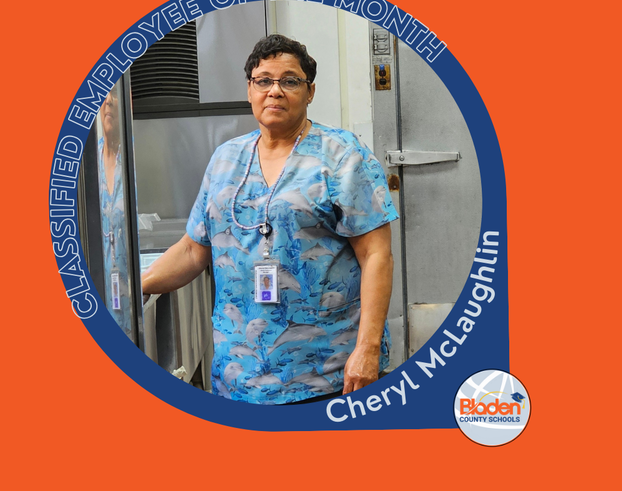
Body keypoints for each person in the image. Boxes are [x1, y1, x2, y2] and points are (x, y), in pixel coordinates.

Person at [141, 34, 398, 404]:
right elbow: (193, 249)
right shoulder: (226, 159)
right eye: (263, 80)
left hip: (326, 373)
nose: (274, 91)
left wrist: (368, 349)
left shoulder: (342, 156)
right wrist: (137, 288)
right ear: (250, 90)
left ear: (309, 92)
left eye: (289, 81)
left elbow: (377, 255)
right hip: (239, 376)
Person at [98, 88, 134, 343]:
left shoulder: (134, 159)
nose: (108, 100)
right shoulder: (87, 163)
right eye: (104, 94)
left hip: (133, 301)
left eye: (115, 93)